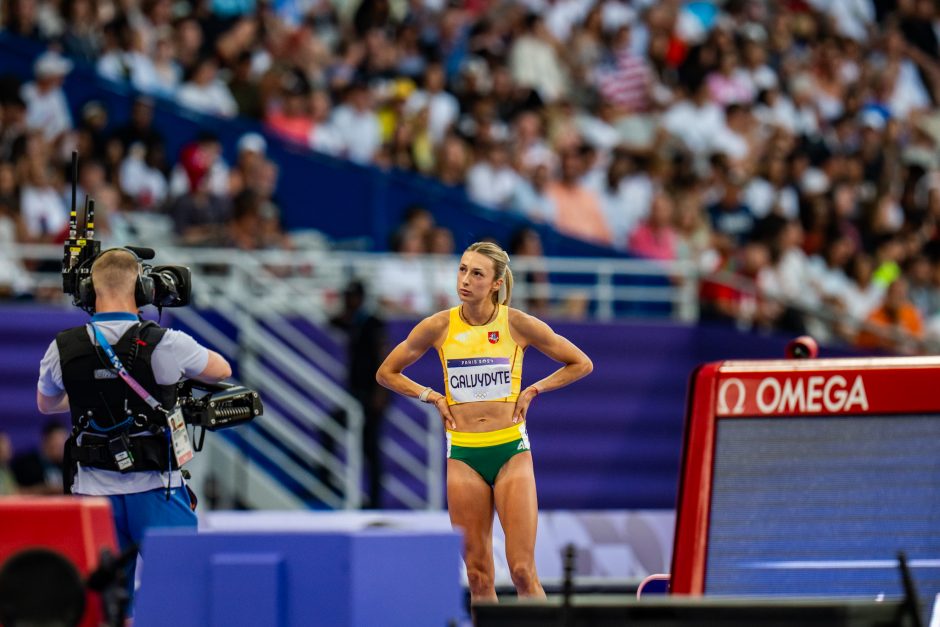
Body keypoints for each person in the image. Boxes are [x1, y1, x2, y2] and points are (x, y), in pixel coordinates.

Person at [376, 241, 592, 602]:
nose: (465, 280)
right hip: (463, 454)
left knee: (523, 571)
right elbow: (386, 372)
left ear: (495, 283)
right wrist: (431, 396)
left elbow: (581, 363)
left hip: (510, 451)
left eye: (477, 273)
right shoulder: (439, 326)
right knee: (478, 577)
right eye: (462, 269)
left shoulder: (517, 323)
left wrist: (534, 390)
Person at [36, 248, 231, 607]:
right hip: (159, 490)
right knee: (180, 599)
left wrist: (88, 392)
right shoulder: (168, 343)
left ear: (88, 291)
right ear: (142, 289)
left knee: (102, 603)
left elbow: (46, 403)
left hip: (93, 496)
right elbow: (221, 370)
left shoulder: (60, 347)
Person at [329, 280, 388, 508]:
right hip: (356, 395)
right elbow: (332, 321)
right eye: (346, 297)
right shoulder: (353, 321)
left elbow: (384, 355)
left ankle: (374, 501)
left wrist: (380, 394)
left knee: (370, 449)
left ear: (361, 298)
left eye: (352, 297)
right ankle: (328, 477)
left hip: (372, 394)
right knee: (331, 429)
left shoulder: (372, 322)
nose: (348, 301)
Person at [9, 420, 67, 494]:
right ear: (46, 440)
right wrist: (46, 490)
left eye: (63, 442)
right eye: (57, 442)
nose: (61, 446)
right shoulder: (26, 464)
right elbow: (15, 491)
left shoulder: (66, 466)